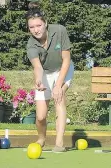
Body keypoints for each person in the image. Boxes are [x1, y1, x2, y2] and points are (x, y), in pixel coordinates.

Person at [25, 5, 74, 153]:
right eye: (32, 27)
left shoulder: (60, 30)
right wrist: (39, 81)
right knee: (40, 116)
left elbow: (66, 60)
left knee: (59, 97)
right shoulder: (31, 45)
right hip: (45, 72)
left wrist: (58, 85)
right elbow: (38, 67)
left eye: (39, 25)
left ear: (45, 23)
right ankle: (41, 138)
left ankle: (59, 143)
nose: (36, 30)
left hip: (63, 69)